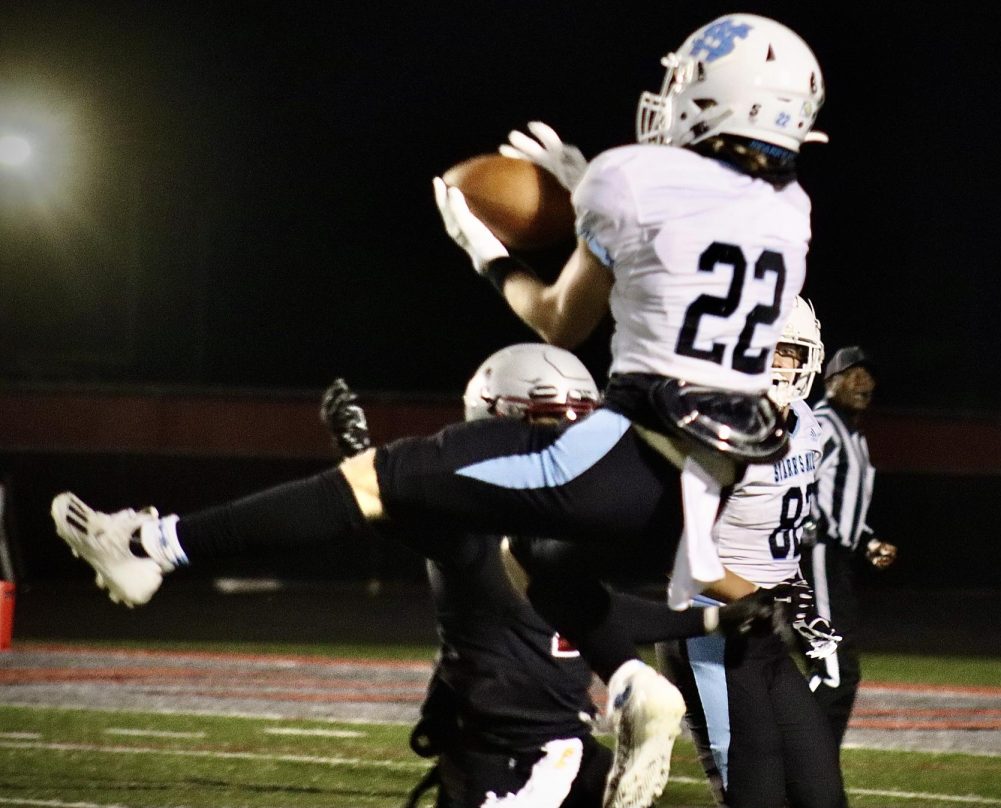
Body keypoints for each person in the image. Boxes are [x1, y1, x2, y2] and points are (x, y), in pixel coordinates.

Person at [51, 13, 828, 808]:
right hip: (704, 479)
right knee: (536, 562)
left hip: (623, 451)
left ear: (710, 98)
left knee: (379, 478)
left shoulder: (627, 178)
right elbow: (687, 239)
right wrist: (590, 186)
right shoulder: (790, 210)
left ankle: (153, 545)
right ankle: (631, 682)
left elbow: (561, 320)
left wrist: (489, 253)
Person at [322, 345, 761, 808]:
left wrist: (710, 621)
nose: (568, 439)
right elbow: (397, 505)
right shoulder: (468, 516)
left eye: (580, 422)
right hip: (495, 753)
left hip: (568, 742)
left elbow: (600, 615)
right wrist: (358, 455)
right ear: (493, 419)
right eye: (551, 420)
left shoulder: (567, 529)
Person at [657, 297, 845, 808]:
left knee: (820, 790)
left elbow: (772, 541)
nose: (787, 364)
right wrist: (768, 598)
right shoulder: (719, 431)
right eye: (776, 350)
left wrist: (793, 592)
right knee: (754, 794)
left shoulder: (806, 424)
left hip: (763, 629)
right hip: (710, 630)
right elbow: (685, 558)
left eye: (794, 351)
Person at [803, 346, 899, 761]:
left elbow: (843, 508)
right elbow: (795, 481)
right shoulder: (820, 424)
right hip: (817, 556)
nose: (865, 383)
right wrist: (808, 529)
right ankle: (792, 751)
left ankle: (818, 767)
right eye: (853, 374)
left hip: (836, 559)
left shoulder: (854, 436)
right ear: (831, 381)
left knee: (843, 671)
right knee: (832, 671)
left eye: (869, 376)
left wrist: (869, 541)